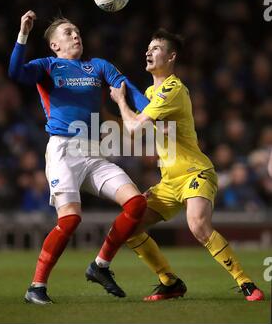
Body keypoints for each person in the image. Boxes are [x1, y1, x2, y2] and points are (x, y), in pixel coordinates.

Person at [108, 28, 265, 302]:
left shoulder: (172, 88)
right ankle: (170, 282)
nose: (148, 52)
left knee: (197, 224)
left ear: (171, 57)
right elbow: (144, 130)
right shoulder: (150, 91)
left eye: (155, 48)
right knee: (127, 229)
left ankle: (246, 283)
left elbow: (133, 128)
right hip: (169, 182)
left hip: (196, 171)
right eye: (147, 47)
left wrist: (121, 101)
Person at [9, 10, 149, 304]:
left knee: (136, 203)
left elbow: (126, 89)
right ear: (55, 45)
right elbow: (15, 73)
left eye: (77, 31)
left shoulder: (98, 66)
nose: (76, 35)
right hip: (63, 150)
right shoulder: (47, 65)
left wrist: (150, 109)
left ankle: (100, 266)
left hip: (93, 152)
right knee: (71, 220)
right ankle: (36, 286)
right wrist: (23, 34)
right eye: (68, 32)